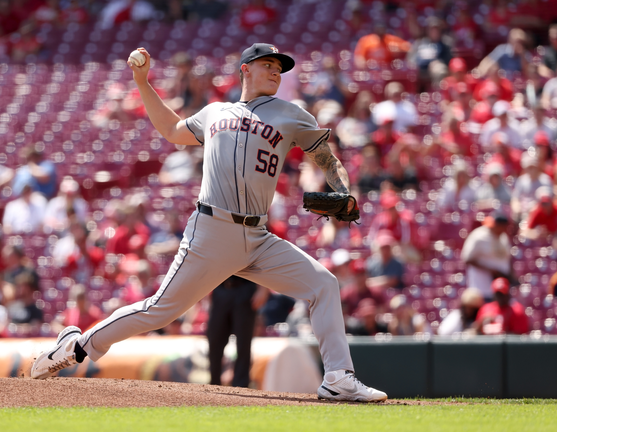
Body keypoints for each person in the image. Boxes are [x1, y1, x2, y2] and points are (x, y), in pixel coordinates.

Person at [31, 43, 387, 402]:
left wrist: (342, 188)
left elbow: (326, 158)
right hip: (212, 231)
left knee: (323, 284)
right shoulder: (215, 112)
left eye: (280, 67)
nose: (277, 71)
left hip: (258, 236)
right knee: (158, 311)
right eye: (268, 64)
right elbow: (172, 129)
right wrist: (142, 82)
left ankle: (339, 377)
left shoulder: (291, 114)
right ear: (245, 69)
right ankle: (77, 347)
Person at [206, 276, 269, 388]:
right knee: (214, 339)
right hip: (220, 288)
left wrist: (263, 288)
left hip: (245, 288)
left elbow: (265, 260)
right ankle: (214, 383)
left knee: (243, 342)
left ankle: (240, 386)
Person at [460, 211, 513, 301]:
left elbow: (507, 259)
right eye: (503, 227)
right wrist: (491, 270)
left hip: (500, 288)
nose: (505, 229)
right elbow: (467, 259)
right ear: (496, 224)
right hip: (482, 287)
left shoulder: (503, 237)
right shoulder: (479, 236)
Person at [406, 17, 452, 91]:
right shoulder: (419, 43)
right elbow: (411, 59)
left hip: (435, 68)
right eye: (432, 29)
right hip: (419, 68)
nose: (434, 32)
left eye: (437, 29)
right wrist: (414, 65)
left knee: (440, 70)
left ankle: (439, 93)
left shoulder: (445, 44)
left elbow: (448, 60)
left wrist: (438, 62)